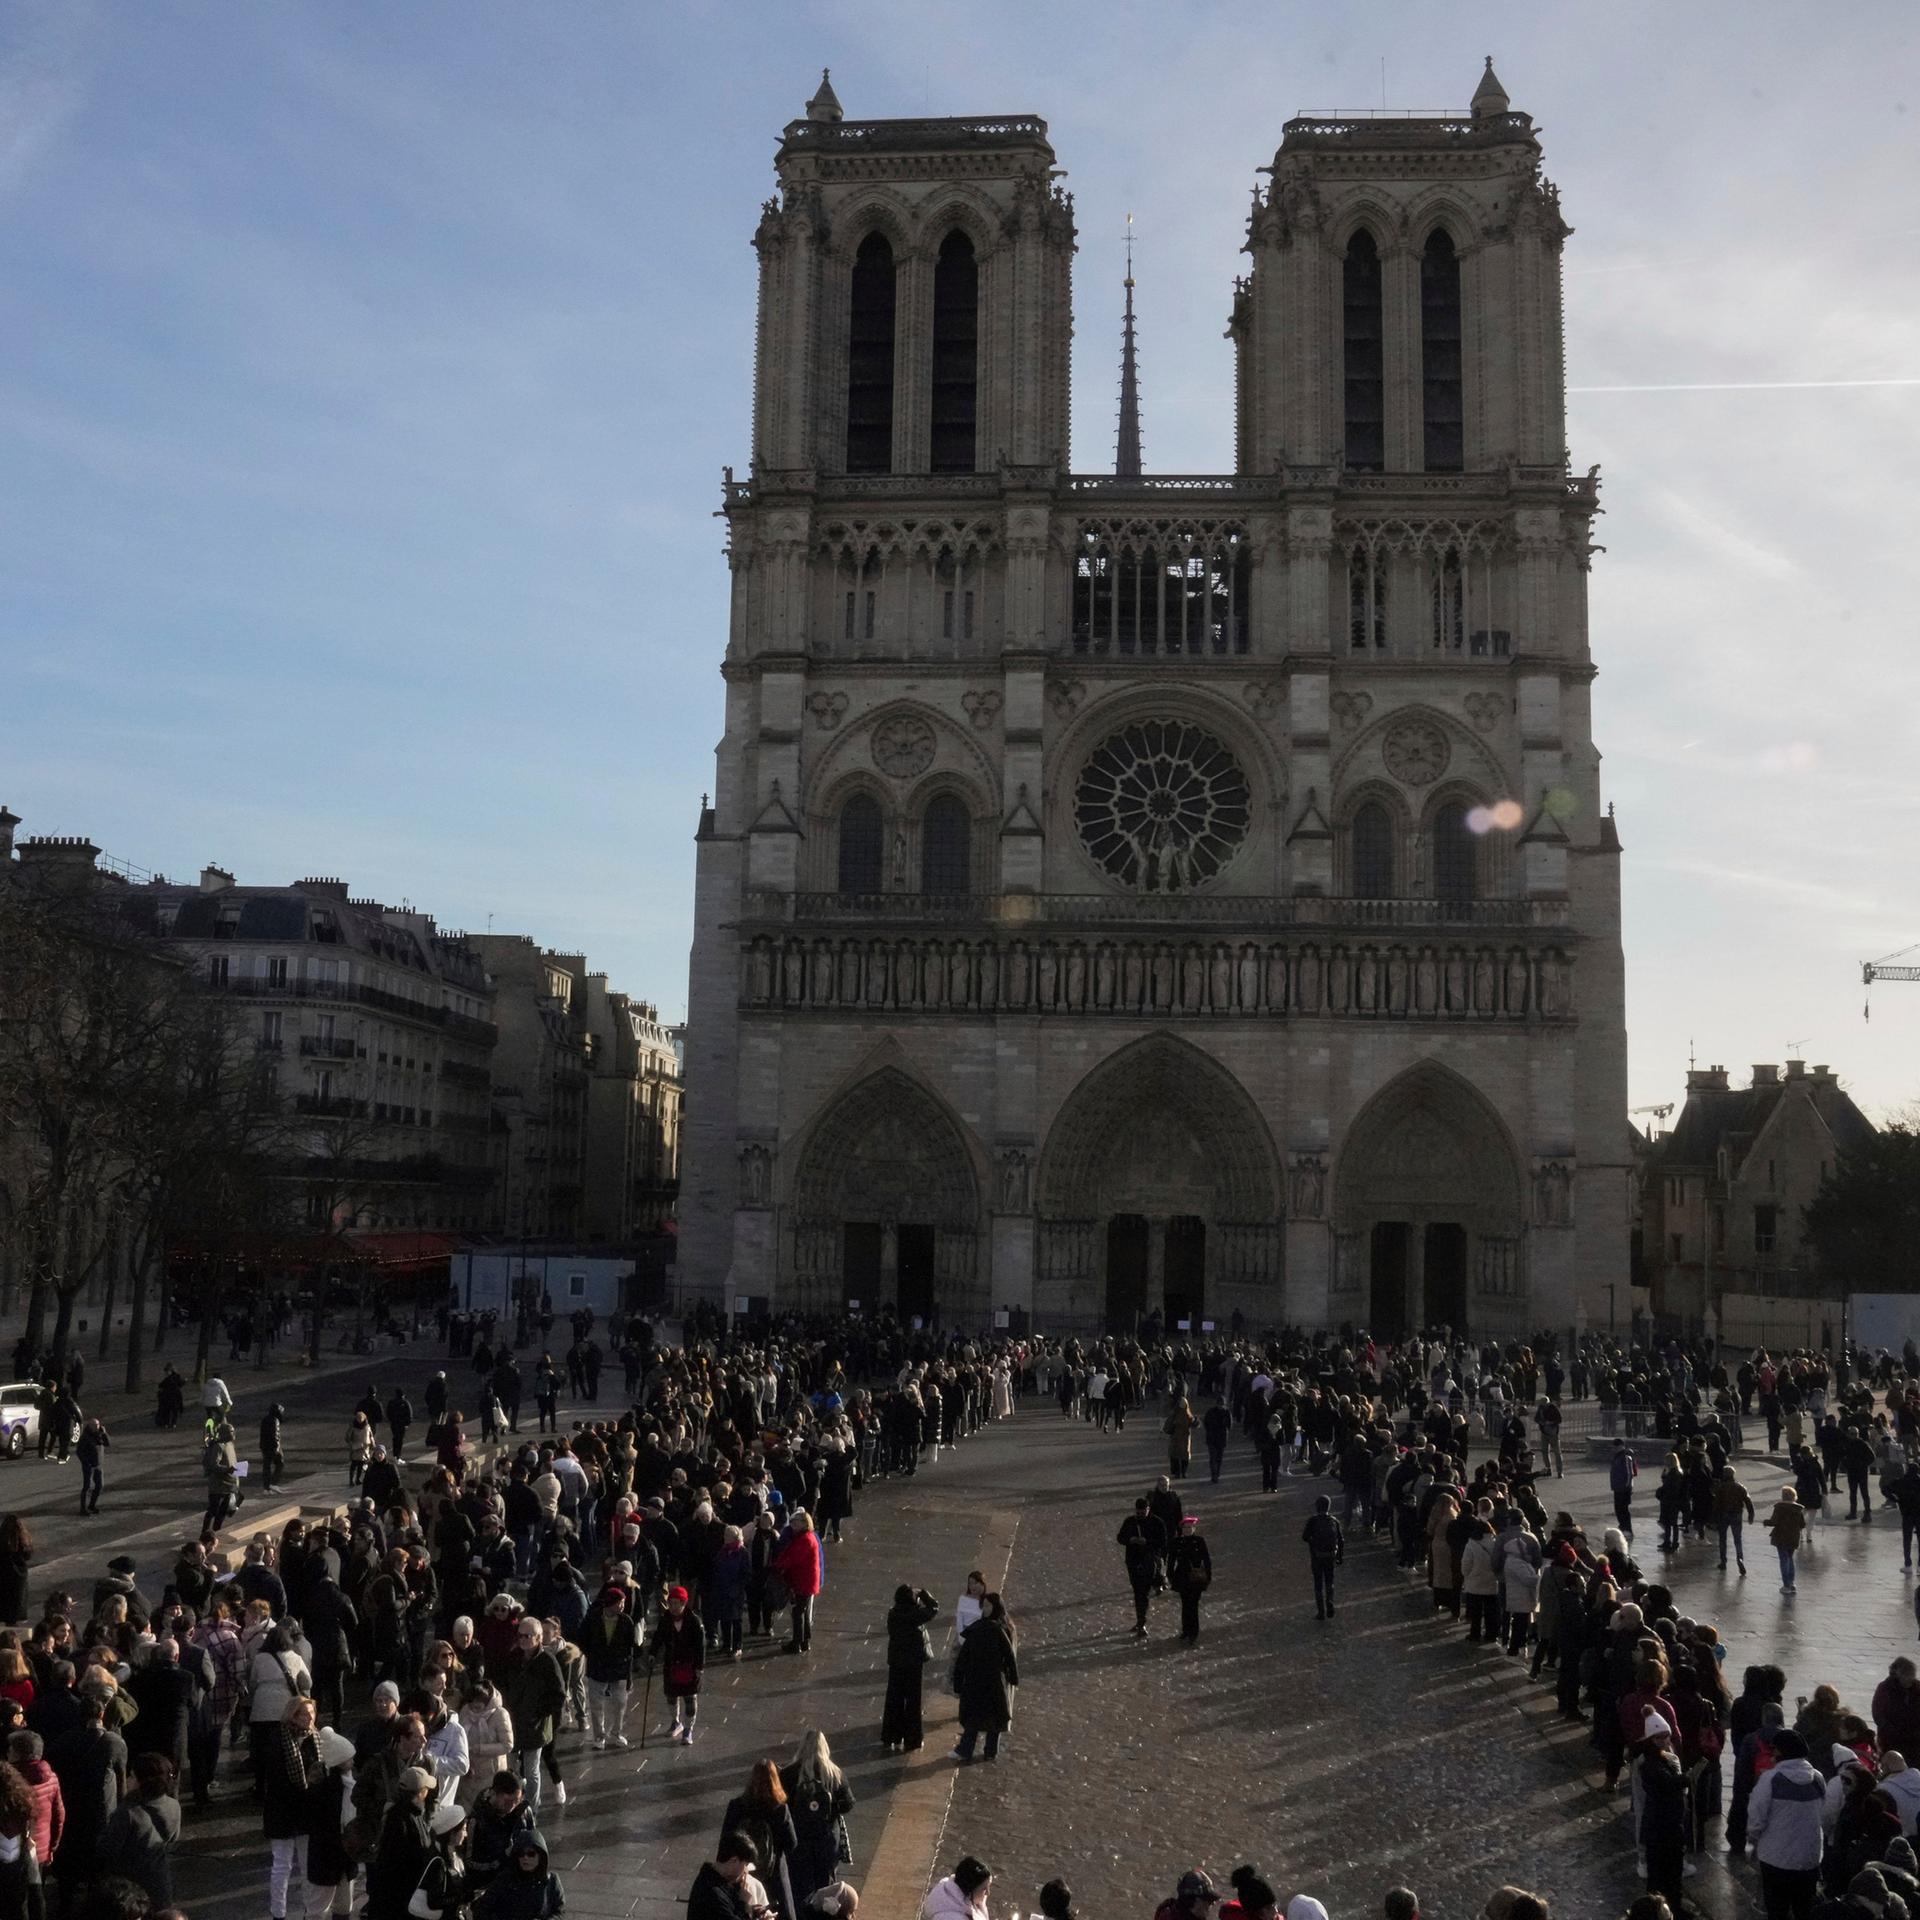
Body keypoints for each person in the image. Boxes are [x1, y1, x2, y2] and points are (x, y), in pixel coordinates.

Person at [1745, 1727, 1824, 1916]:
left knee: (1776, 1909)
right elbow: (1825, 1814)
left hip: (1775, 1858)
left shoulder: (1770, 1779)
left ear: (1780, 1752)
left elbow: (1757, 1818)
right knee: (1804, 1909)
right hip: (1809, 1858)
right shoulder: (1817, 1778)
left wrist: (1752, 1839)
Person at [262, 1696, 320, 1920]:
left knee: (307, 1867)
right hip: (283, 1810)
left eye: (311, 1713)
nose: (309, 1718)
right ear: (292, 1715)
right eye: (303, 1714)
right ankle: (278, 1913)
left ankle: (309, 1911)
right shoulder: (279, 1739)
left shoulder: (315, 1738)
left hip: (306, 1812)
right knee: (282, 1865)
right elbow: (277, 1778)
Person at [499, 1618, 565, 1814]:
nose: (523, 1640)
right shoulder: (513, 1657)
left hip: (535, 1724)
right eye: (520, 1635)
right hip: (513, 1720)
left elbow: (559, 1694)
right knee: (511, 1766)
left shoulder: (547, 1662)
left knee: (531, 1768)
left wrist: (541, 1712)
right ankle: (511, 1804)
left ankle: (531, 1809)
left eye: (527, 1636)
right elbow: (503, 1682)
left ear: (538, 1638)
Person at [96, 1752, 179, 1909]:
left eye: (132, 1776)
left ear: (143, 1781)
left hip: (133, 1890)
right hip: (160, 1883)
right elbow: (173, 1837)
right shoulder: (174, 1805)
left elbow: (109, 1850)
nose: (128, 1779)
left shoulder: (128, 1813)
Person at [782, 1731, 853, 1907]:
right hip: (827, 1838)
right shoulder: (834, 1773)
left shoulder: (790, 1773)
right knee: (826, 1885)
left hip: (799, 1838)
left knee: (800, 1885)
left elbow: (782, 1803)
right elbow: (848, 1803)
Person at [719, 1760, 798, 1920]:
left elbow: (725, 1843)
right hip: (773, 1875)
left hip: (743, 1874)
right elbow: (792, 1843)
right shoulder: (780, 1809)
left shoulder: (737, 1806)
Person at [951, 1595, 1017, 1765]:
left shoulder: (999, 1629)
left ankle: (989, 1751)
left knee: (992, 1717)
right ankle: (968, 1750)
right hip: (978, 1679)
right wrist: (958, 1681)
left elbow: (1009, 1655)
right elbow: (964, 1657)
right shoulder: (982, 1629)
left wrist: (1012, 1676)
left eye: (988, 1606)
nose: (985, 1609)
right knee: (976, 1716)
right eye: (984, 1606)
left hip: (993, 1680)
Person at [304, 1725, 358, 1920]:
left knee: (333, 1905)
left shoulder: (329, 1786)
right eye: (349, 1758)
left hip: (335, 1855)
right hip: (331, 1855)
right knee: (328, 1906)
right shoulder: (329, 1789)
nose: (352, 1761)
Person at [881, 1587, 938, 1754]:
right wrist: (925, 1594)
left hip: (896, 1662)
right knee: (913, 1701)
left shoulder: (893, 1614)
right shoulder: (915, 1615)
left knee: (894, 1699)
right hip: (913, 1664)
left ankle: (891, 1735)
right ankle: (912, 1738)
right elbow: (934, 1608)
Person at [580, 1587, 637, 1752]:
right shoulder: (593, 1618)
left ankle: (616, 1733)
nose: (622, 1606)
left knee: (620, 1702)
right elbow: (583, 1637)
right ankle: (599, 1736)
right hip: (598, 1667)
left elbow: (630, 1649)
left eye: (623, 1603)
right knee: (596, 1703)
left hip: (619, 1668)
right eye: (620, 1603)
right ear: (610, 1603)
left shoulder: (626, 1621)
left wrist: (629, 1675)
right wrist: (591, 1654)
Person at [651, 1585, 706, 1747]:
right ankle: (675, 1722)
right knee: (671, 1695)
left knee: (690, 1698)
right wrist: (653, 1653)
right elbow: (658, 1638)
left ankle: (688, 1729)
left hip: (689, 1664)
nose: (674, 1607)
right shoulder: (665, 1619)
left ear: (684, 1603)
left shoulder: (694, 1621)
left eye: (677, 1604)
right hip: (671, 1663)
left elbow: (700, 1646)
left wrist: (699, 1667)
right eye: (671, 1603)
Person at [474, 1828, 565, 1920]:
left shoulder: (551, 1881)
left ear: (540, 1856)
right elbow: (482, 1909)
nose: (525, 1858)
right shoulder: (505, 1880)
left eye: (531, 1854)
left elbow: (559, 1912)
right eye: (521, 1854)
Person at [773, 1514, 824, 1656]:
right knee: (803, 1611)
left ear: (804, 1523)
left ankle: (797, 1642)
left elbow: (793, 1558)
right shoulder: (807, 1537)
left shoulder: (805, 1539)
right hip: (807, 1581)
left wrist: (777, 1566)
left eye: (795, 1522)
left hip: (803, 1581)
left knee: (798, 1612)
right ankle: (805, 1640)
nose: (792, 1524)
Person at [1117, 1500, 1167, 1637]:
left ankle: (1141, 1623)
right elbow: (1120, 1538)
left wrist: (1147, 1542)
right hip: (1133, 1562)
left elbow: (1163, 1542)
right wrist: (1131, 1540)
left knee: (1142, 1593)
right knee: (1138, 1591)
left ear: (1148, 1509)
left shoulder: (1157, 1522)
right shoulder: (1130, 1522)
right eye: (1138, 1512)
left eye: (1143, 1512)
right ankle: (1140, 1621)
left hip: (1149, 1561)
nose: (1140, 1514)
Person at [688, 1833, 760, 1920]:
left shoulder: (712, 1877)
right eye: (746, 1864)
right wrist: (745, 1904)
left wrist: (756, 1912)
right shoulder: (713, 1896)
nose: (746, 1871)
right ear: (734, 1860)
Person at [1166, 1515, 1213, 1644]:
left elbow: (1206, 1559)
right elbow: (1171, 1561)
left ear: (1194, 1528)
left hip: (1196, 1578)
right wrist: (1170, 1576)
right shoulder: (1177, 1542)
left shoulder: (1199, 1541)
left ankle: (1193, 1632)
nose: (1188, 1530)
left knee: (1193, 1605)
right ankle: (1186, 1630)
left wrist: (1208, 1575)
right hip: (1182, 1576)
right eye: (1186, 1527)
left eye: (1190, 1527)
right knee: (1185, 1604)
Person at [1300, 1496, 1344, 1621]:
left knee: (1318, 1584)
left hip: (1317, 1556)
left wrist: (1313, 1542)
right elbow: (1341, 1540)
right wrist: (1340, 1556)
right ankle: (1330, 1601)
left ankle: (1321, 1611)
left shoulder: (1313, 1521)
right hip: (1330, 1556)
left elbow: (1304, 1537)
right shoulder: (1334, 1521)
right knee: (1330, 1581)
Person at [919, 1855, 992, 1920]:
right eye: (984, 1889)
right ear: (970, 1891)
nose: (988, 1893)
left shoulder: (947, 1887)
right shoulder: (950, 1917)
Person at [1713, 1465, 1755, 1574]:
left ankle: (1723, 1561)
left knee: (1722, 1539)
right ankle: (1740, 1559)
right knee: (1737, 1539)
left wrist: (1714, 1517)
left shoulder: (1720, 1487)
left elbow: (1716, 1503)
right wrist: (1751, 1515)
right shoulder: (1740, 1487)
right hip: (1736, 1514)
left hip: (1723, 1514)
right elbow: (1748, 1502)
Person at [1769, 1487, 1807, 1595]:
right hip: (1793, 1537)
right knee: (1790, 1559)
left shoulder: (1779, 1507)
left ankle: (1786, 1585)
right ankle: (1792, 1583)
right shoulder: (1798, 1509)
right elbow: (1802, 1524)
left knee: (1783, 1560)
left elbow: (1773, 1521)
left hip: (1781, 1536)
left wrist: (1766, 1522)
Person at [73, 1420, 108, 1518]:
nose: (97, 1427)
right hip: (89, 1465)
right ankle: (83, 1508)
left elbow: (107, 1443)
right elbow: (79, 1452)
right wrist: (86, 1462)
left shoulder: (99, 1435)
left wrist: (104, 1434)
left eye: (98, 1425)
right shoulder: (85, 1437)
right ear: (90, 1426)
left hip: (98, 1465)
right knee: (87, 1486)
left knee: (99, 1485)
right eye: (95, 1425)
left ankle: (92, 1505)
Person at [0, 1523, 29, 1628]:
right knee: (13, 1619)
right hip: (17, 1585)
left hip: (4, 1583)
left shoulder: (3, 1548)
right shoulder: (23, 1546)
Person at [1610, 1440, 1638, 1537]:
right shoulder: (1618, 1456)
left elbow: (1629, 1474)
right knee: (1618, 1509)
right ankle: (1623, 1526)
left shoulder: (1625, 1456)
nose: (1613, 1449)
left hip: (1623, 1489)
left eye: (1615, 1447)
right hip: (1618, 1488)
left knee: (1623, 1510)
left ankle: (1627, 1529)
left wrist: (1627, 1487)